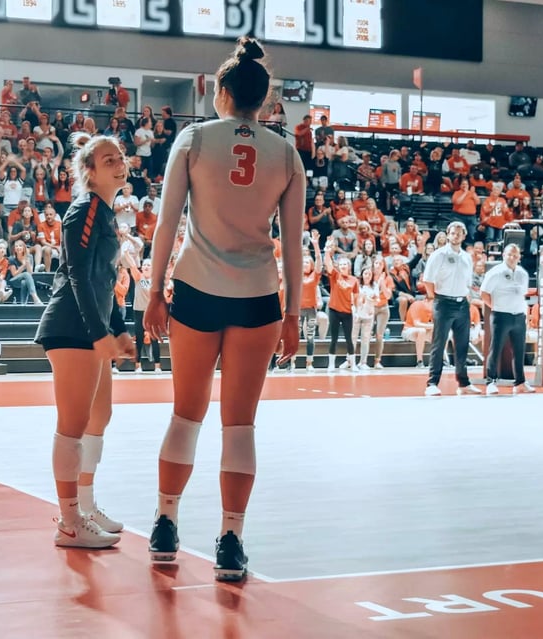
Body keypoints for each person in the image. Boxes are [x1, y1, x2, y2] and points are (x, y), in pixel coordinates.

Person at [143, 37, 305, 582]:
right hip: (258, 294)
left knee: (186, 413)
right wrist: (293, 314)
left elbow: (167, 222)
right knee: (240, 427)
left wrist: (153, 292)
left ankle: (165, 522)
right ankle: (231, 539)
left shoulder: (192, 138)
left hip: (195, 289)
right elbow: (294, 243)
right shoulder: (286, 153)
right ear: (262, 100)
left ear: (223, 92)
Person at [33, 135, 136, 550]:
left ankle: (87, 506)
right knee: (73, 426)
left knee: (100, 416)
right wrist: (99, 333)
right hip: (71, 326)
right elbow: (76, 274)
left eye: (120, 157)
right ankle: (70, 521)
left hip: (91, 326)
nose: (119, 163)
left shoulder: (106, 213)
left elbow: (104, 282)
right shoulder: (84, 209)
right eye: (108, 159)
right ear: (89, 172)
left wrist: (119, 327)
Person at [422, 221, 481, 396]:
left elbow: (468, 282)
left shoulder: (466, 257)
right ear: (448, 234)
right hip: (443, 303)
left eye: (459, 233)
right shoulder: (438, 255)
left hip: (462, 303)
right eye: (453, 233)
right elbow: (427, 280)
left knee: (462, 345)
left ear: (464, 236)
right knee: (438, 344)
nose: (456, 236)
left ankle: (463, 383)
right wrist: (436, 297)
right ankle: (432, 383)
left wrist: (466, 297)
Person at [481, 244, 534, 395]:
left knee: (519, 351)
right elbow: (484, 293)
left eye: (515, 256)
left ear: (519, 257)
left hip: (518, 316)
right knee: (495, 349)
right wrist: (496, 306)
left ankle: (520, 382)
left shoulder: (523, 273)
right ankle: (491, 382)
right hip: (500, 315)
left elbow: (522, 294)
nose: (512, 258)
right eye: (510, 254)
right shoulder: (495, 273)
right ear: (503, 255)